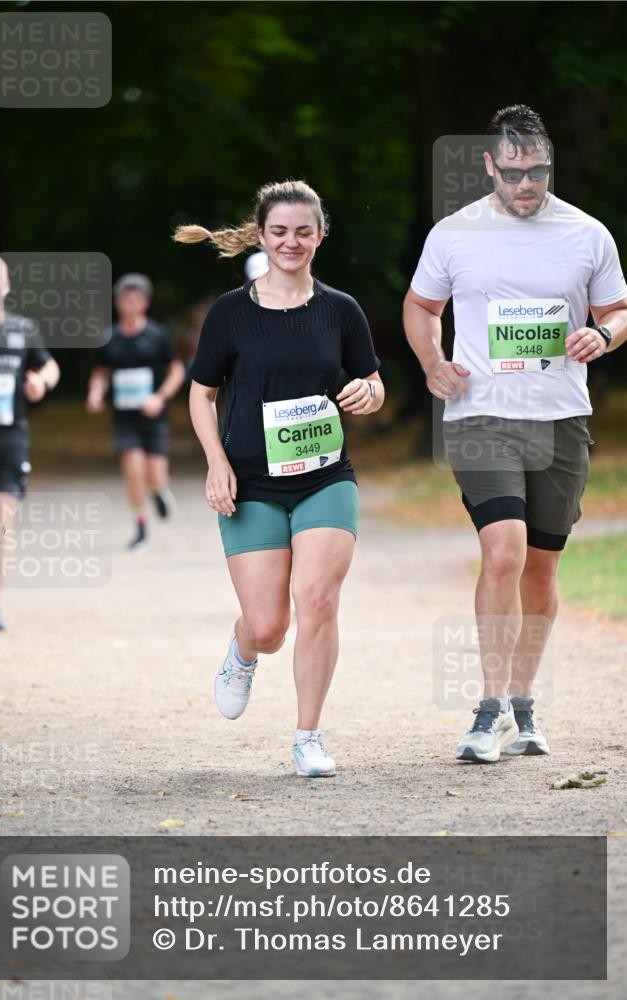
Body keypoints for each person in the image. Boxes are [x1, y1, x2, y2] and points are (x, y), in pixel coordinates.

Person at [404, 105, 627, 763]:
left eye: (536, 172)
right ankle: (486, 707)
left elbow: (617, 308)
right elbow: (421, 307)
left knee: (539, 568)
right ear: (488, 165)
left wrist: (603, 333)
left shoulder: (586, 234)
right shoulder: (454, 233)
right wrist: (431, 362)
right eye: (512, 172)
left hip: (560, 418)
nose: (525, 184)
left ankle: (523, 705)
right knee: (501, 550)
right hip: (481, 415)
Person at [173, 180, 384, 777]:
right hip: (251, 483)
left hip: (325, 476)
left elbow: (373, 381)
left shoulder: (340, 309)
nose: (291, 242)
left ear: (320, 235)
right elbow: (201, 394)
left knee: (317, 601)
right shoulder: (230, 312)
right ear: (262, 235)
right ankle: (242, 653)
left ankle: (308, 737)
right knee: (269, 627)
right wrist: (216, 463)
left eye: (303, 231)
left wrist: (368, 393)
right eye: (279, 231)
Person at [0, 254, 60, 630]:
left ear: (6, 286)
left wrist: (41, 382)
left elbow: (49, 365)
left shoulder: (22, 329)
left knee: (2, 513)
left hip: (8, 439)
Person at [86, 273, 185, 549]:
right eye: (124, 300)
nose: (129, 305)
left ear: (144, 303)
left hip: (153, 416)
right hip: (124, 418)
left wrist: (160, 397)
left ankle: (159, 491)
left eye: (135, 300)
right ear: (118, 303)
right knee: (133, 470)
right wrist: (96, 392)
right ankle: (140, 524)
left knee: (155, 474)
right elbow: (100, 372)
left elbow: (176, 371)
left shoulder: (157, 335)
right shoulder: (110, 337)